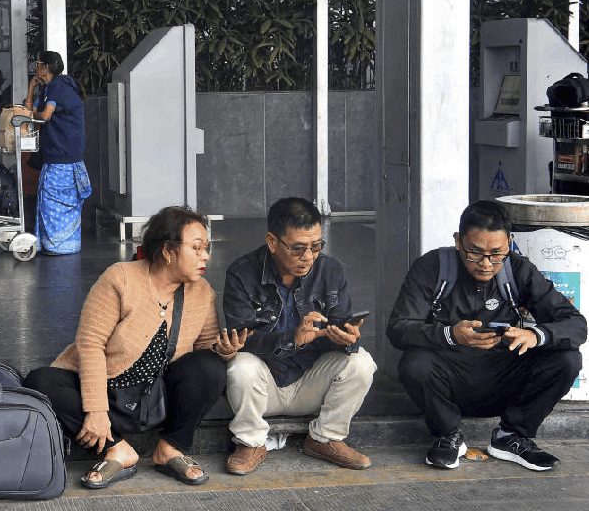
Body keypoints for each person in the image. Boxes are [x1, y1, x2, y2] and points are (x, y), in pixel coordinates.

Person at [25, 206, 246, 488]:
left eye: (207, 248)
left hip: (156, 398)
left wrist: (224, 351)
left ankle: (170, 448)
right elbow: (90, 344)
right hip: (106, 391)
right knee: (41, 381)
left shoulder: (201, 291)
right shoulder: (121, 278)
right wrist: (95, 409)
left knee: (210, 366)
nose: (206, 256)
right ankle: (117, 449)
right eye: (197, 248)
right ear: (167, 250)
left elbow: (203, 350)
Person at [387, 200, 586, 471]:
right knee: (415, 364)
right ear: (458, 241)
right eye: (475, 253)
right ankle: (449, 436)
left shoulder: (518, 269)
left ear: (509, 243)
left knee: (567, 359)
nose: (486, 264)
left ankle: (511, 436)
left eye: (496, 254)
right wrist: (450, 335)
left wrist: (535, 335)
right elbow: (398, 329)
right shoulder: (432, 267)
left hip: (505, 379)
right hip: (448, 382)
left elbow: (576, 324)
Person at [221, 197, 376, 475]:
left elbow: (341, 324)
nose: (308, 256)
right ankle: (251, 442)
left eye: (316, 246)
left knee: (361, 363)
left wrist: (345, 338)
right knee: (240, 366)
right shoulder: (242, 274)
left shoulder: (330, 270)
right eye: (298, 248)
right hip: (264, 387)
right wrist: (293, 337)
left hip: (312, 383)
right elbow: (243, 341)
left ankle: (325, 438)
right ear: (272, 241)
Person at [24, 51, 91, 255]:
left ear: (46, 67)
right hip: (58, 153)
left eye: (37, 64)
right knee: (51, 200)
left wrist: (27, 114)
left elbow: (43, 115)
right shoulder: (49, 88)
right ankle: (56, 245)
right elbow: (30, 109)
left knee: (54, 201)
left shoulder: (59, 86)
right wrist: (31, 87)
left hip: (63, 156)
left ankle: (59, 246)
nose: (35, 68)